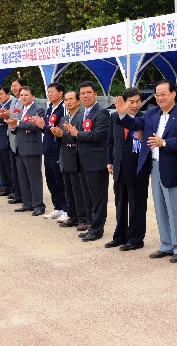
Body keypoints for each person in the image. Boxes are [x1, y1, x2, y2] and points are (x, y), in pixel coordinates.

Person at [115, 80, 177, 262]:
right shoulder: (152, 113)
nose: (159, 98)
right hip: (155, 165)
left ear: (173, 94)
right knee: (160, 208)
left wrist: (164, 142)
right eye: (157, 95)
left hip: (173, 167)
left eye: (163, 94)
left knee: (176, 208)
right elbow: (135, 124)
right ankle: (166, 245)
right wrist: (122, 114)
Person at [64, 81, 110, 241]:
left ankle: (97, 229)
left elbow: (98, 135)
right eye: (82, 93)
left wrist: (76, 134)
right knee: (87, 197)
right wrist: (67, 134)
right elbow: (78, 136)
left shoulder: (102, 113)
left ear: (96, 94)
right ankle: (92, 226)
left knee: (98, 198)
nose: (85, 95)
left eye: (89, 92)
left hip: (96, 162)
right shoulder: (85, 113)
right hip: (82, 162)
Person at [105, 87, 150, 251]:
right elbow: (111, 141)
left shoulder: (144, 119)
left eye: (138, 101)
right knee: (120, 203)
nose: (135, 105)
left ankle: (136, 238)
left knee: (137, 204)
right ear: (124, 102)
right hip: (119, 167)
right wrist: (109, 161)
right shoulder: (114, 117)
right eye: (132, 102)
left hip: (137, 168)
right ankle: (120, 236)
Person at [51, 91, 88, 231]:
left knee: (79, 190)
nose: (68, 102)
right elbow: (60, 138)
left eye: (71, 99)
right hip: (65, 156)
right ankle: (72, 215)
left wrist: (64, 135)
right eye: (66, 100)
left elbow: (78, 136)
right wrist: (57, 134)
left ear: (78, 101)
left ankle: (83, 218)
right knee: (69, 189)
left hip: (77, 157)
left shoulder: (82, 117)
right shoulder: (64, 117)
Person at [6, 86, 46, 215]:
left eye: (26, 95)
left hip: (32, 148)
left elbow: (36, 126)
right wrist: (13, 126)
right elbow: (18, 126)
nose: (23, 97)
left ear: (33, 96)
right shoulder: (20, 110)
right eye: (21, 95)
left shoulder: (38, 109)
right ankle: (27, 203)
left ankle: (38, 205)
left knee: (34, 178)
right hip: (20, 147)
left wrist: (18, 123)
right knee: (22, 177)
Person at [32, 83, 67, 221]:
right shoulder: (50, 108)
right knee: (51, 181)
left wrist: (44, 126)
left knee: (60, 180)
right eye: (48, 92)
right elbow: (46, 128)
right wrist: (40, 125)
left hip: (58, 149)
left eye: (52, 91)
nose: (49, 94)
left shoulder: (63, 108)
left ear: (61, 93)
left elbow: (58, 130)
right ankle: (57, 207)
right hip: (47, 148)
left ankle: (66, 209)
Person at [0, 78, 27, 205]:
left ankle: (23, 195)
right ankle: (17, 193)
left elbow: (19, 116)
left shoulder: (25, 101)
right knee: (14, 169)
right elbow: (12, 115)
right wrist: (6, 114)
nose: (13, 88)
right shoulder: (14, 100)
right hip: (11, 137)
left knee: (22, 170)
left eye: (16, 86)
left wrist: (8, 115)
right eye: (12, 86)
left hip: (21, 139)